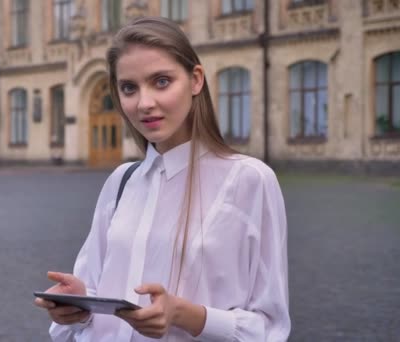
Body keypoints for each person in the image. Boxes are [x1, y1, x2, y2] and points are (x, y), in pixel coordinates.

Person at [34, 16, 290, 341]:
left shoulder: (249, 181)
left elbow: (269, 328)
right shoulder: (121, 181)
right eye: (129, 88)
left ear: (196, 80)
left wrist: (184, 314)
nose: (144, 103)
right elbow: (93, 293)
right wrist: (80, 304)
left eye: (161, 82)